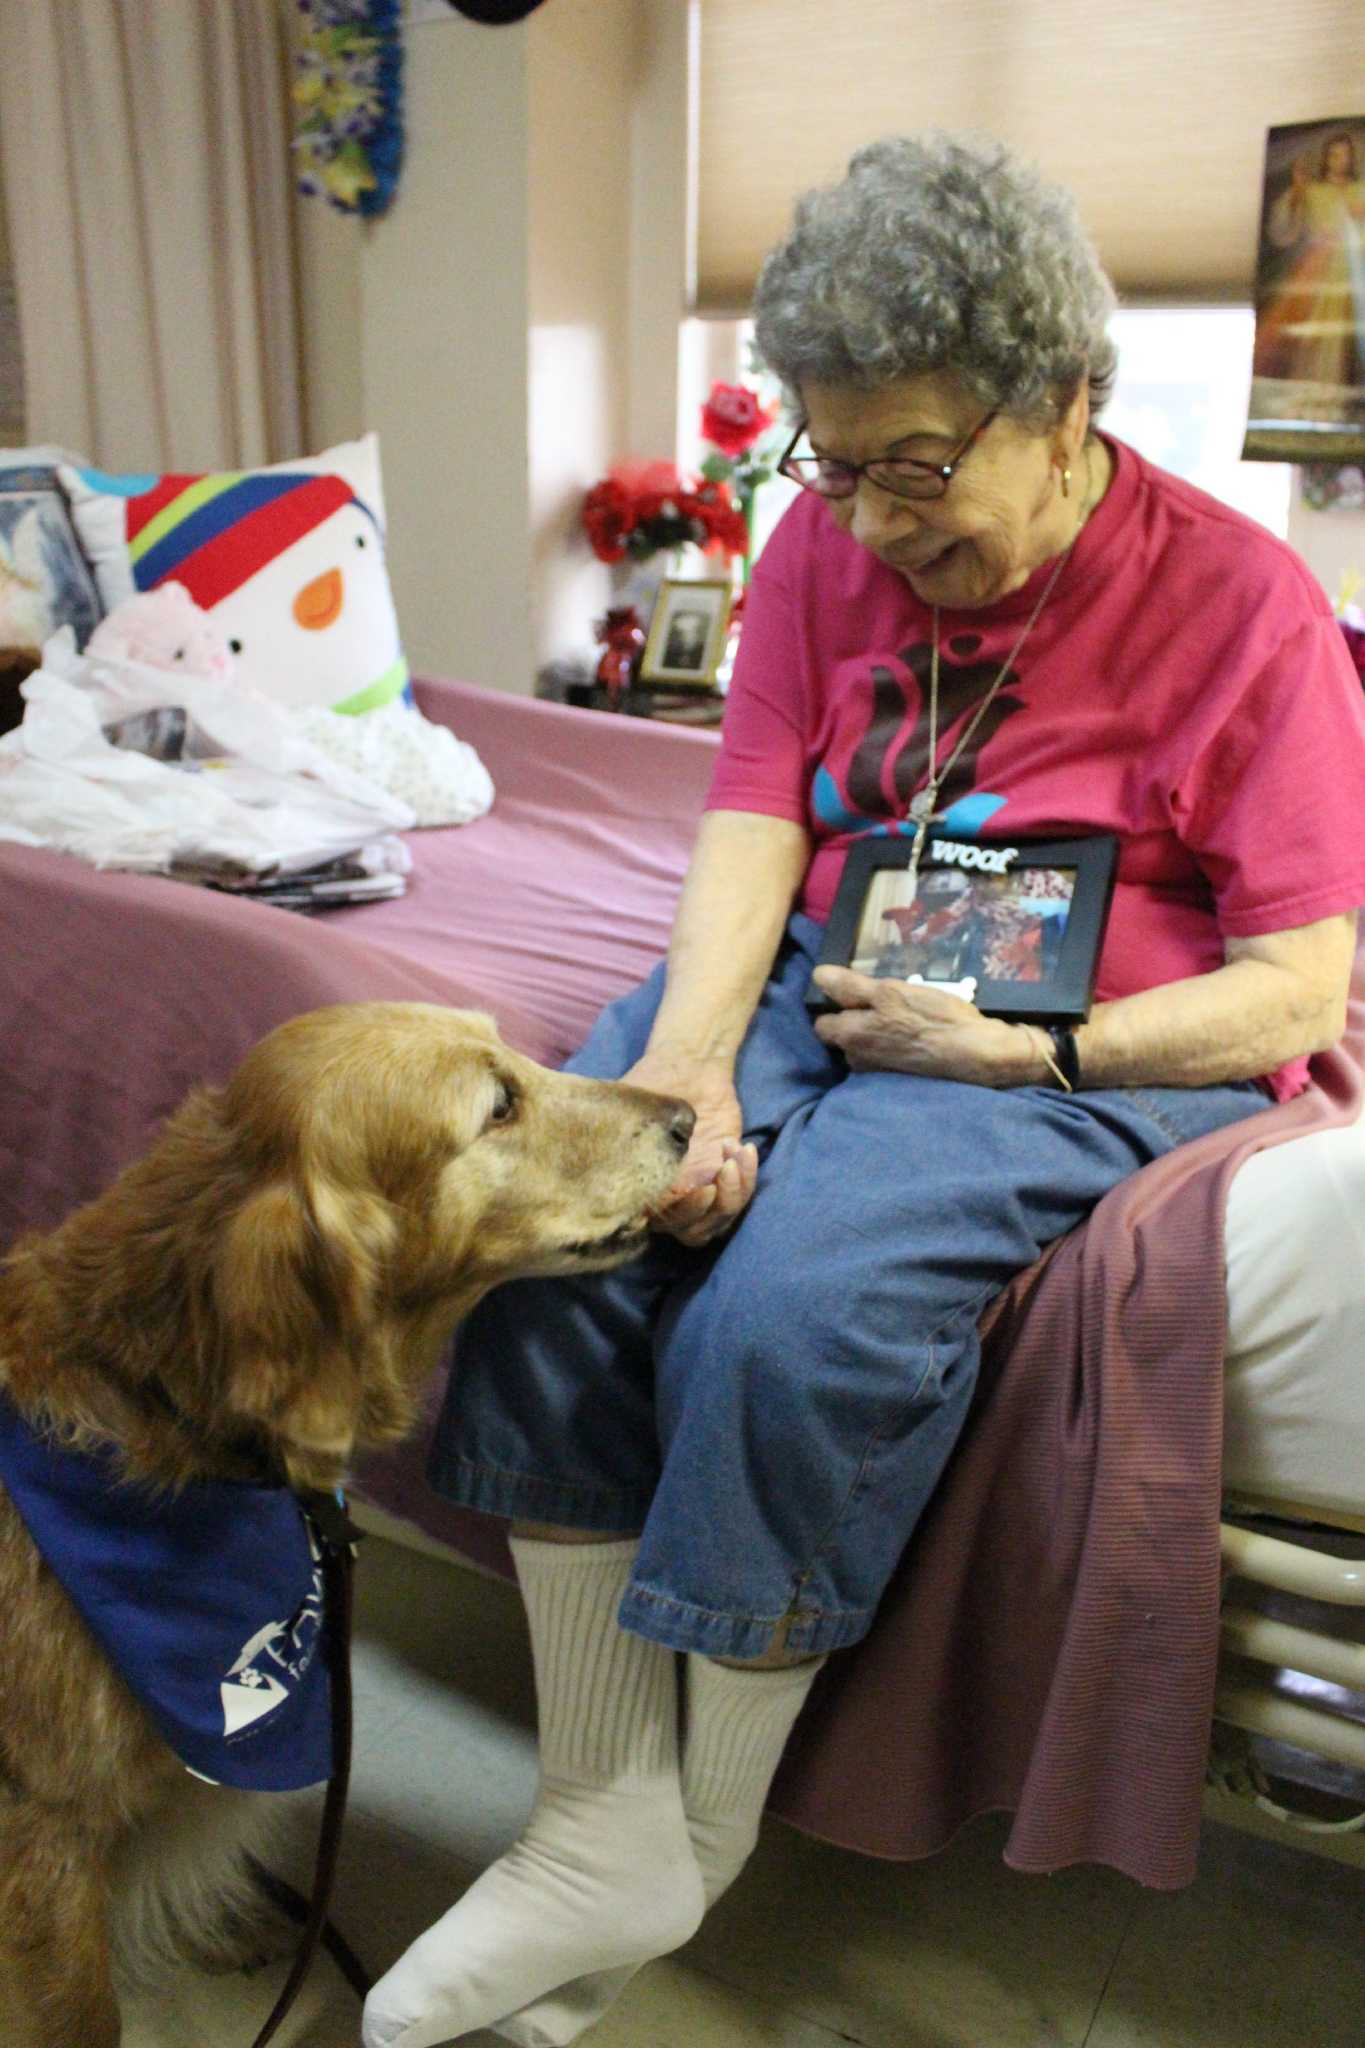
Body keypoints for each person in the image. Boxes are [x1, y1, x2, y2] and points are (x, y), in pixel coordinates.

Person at [362, 133, 1365, 2048]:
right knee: (557, 1226)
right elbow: (755, 811)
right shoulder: (822, 546)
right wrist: (673, 1078)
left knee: (793, 1317)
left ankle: (699, 1829)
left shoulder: (1245, 608)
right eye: (841, 463)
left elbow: (1296, 986)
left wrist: (1031, 1052)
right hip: (834, 967)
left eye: (924, 464)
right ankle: (597, 1818)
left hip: (1089, 1029)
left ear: (1072, 402)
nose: (879, 519)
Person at [1253, 129, 1365, 396]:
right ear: (1326, 158)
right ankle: (1316, 397)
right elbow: (1283, 231)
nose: (1341, 160)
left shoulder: (1360, 191)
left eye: (1346, 155)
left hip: (1355, 271)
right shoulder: (1312, 191)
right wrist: (1297, 193)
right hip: (1317, 270)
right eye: (1335, 154)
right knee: (1312, 339)